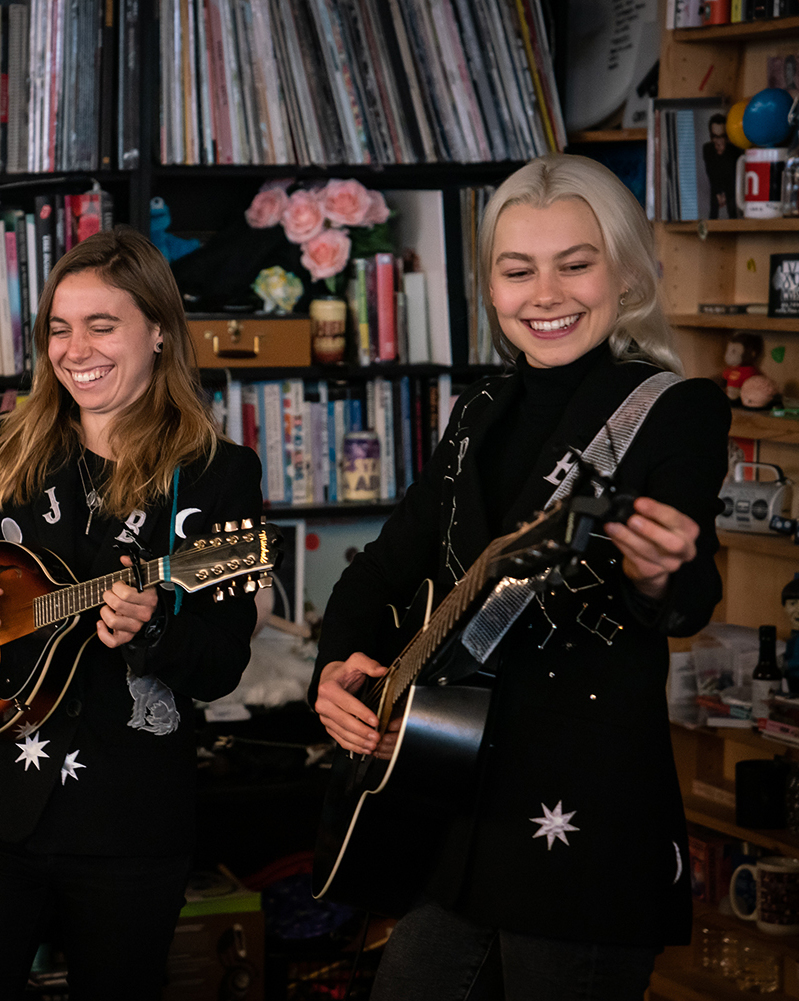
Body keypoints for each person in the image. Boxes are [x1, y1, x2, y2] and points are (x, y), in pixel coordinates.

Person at [310, 154, 730, 998]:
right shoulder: (476, 411)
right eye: (517, 270)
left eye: (574, 263)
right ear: (491, 288)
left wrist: (655, 576)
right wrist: (339, 667)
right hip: (448, 804)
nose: (546, 293)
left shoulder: (674, 408)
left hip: (581, 823)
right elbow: (384, 566)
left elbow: (685, 599)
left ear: (624, 272)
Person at [0, 227, 263, 999]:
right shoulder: (2, 453)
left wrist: (153, 628)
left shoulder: (217, 475)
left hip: (128, 821)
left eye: (101, 324)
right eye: (59, 327)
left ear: (157, 330)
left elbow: (222, 663)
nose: (74, 347)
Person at [703, 114, 741, 219]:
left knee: (733, 213)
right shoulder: (707, 149)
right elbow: (711, 171)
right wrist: (718, 192)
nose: (718, 141)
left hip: (731, 188)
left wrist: (725, 194)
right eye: (715, 137)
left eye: (722, 136)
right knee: (713, 215)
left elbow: (733, 175)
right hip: (716, 186)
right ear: (711, 136)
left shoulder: (734, 150)